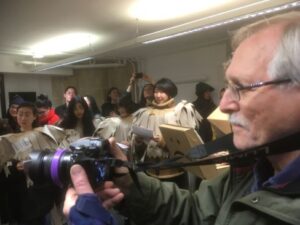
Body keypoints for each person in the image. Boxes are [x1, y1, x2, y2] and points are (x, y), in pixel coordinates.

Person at [63, 11, 300, 225]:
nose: (225, 105)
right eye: (228, 86)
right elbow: (195, 212)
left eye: (243, 87)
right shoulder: (254, 169)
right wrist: (127, 181)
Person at [131, 78, 201, 188]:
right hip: (151, 169)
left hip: (175, 170)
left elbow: (186, 145)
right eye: (156, 92)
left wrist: (164, 142)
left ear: (170, 93)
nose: (158, 95)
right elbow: (139, 151)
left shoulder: (180, 112)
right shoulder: (145, 113)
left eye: (162, 92)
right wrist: (138, 141)